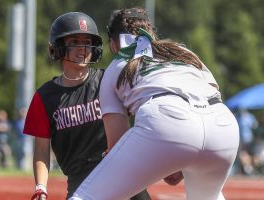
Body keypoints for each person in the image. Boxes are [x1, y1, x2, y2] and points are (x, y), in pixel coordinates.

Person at [69, 7, 240, 200]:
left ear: (114, 43)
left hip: (167, 120)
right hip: (223, 126)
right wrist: (180, 156)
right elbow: (212, 92)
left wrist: (168, 156)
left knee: (86, 197)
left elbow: (118, 145)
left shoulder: (115, 67)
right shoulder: (183, 51)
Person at [23, 12, 151, 200]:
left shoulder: (109, 79)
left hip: (122, 172)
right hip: (82, 182)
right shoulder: (45, 97)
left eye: (87, 42)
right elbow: (42, 149)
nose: (83, 48)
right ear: (58, 47)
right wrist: (41, 187)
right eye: (74, 41)